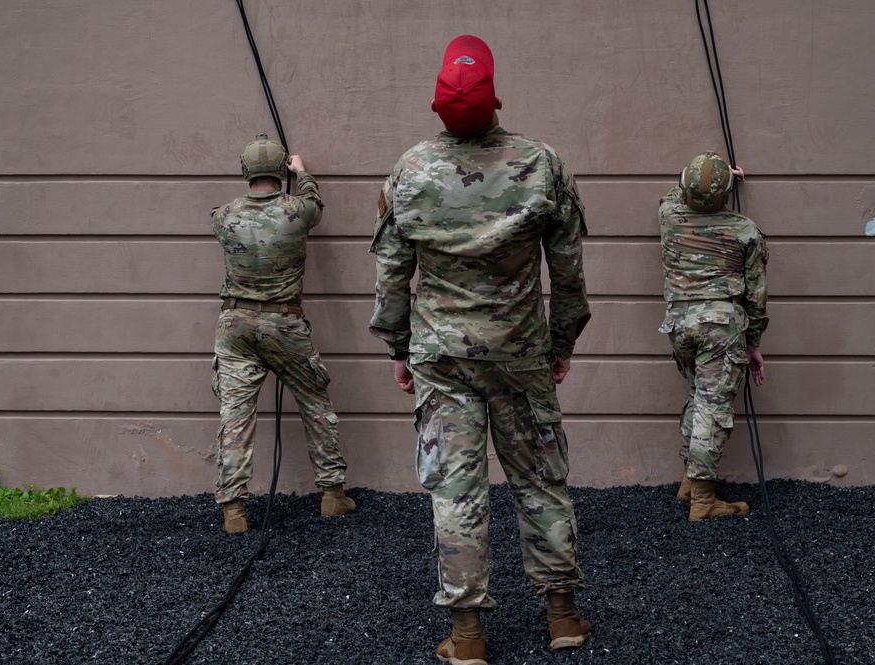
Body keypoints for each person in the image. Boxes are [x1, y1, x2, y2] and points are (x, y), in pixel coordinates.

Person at [369, 35, 592, 665]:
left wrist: (396, 347)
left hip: (441, 356)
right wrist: (562, 339)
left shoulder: (410, 171)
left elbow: (392, 272)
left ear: (438, 106)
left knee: (455, 490)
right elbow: (569, 270)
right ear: (494, 96)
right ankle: (564, 618)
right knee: (541, 480)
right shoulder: (541, 163)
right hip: (521, 352)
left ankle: (467, 638)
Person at [211, 133, 355, 534]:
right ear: (280, 170)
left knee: (235, 416)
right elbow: (315, 204)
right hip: (284, 325)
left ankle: (234, 510)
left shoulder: (223, 216)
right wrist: (303, 172)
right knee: (314, 403)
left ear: (244, 172)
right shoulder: (297, 212)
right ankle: (332, 494)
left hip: (235, 324)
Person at [658, 151, 768, 521]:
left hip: (680, 325)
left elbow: (675, 191)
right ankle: (703, 501)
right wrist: (753, 342)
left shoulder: (669, 216)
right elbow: (756, 295)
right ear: (724, 195)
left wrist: (711, 179)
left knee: (698, 395)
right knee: (713, 407)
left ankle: (689, 479)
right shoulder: (745, 231)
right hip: (721, 327)